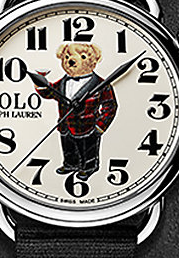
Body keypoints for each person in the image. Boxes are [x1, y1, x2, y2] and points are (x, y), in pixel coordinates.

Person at [28, 42, 117, 181]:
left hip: (88, 127)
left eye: (82, 57)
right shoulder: (64, 81)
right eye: (67, 56)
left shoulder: (101, 84)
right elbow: (51, 93)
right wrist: (41, 83)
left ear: (93, 61)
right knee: (68, 147)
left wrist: (100, 126)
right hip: (65, 125)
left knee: (87, 150)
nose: (70, 60)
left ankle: (88, 168)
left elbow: (110, 106)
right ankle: (70, 164)